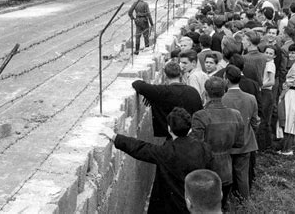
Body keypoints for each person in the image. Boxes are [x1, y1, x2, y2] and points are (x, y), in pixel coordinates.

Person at [99, 107, 213, 214]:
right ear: (189, 128)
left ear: (169, 128)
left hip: (171, 206)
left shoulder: (166, 151)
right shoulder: (204, 148)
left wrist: (115, 137)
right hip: (196, 205)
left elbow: (140, 148)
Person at [189, 77, 244, 210]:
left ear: (205, 93)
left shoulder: (200, 115)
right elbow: (239, 143)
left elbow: (196, 145)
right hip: (226, 169)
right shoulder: (236, 115)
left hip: (206, 169)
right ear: (224, 92)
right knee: (220, 207)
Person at [131, 62, 203, 138]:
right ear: (181, 75)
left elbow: (137, 84)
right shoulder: (193, 92)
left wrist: (149, 95)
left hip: (172, 137)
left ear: (165, 76)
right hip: (192, 136)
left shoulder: (161, 92)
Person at [222, 65, 259, 200]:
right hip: (246, 141)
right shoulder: (250, 98)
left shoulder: (222, 99)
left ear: (226, 79)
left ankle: (228, 201)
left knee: (226, 175)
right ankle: (245, 202)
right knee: (243, 175)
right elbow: (255, 121)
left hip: (226, 143)